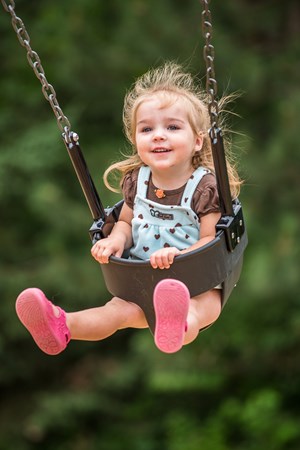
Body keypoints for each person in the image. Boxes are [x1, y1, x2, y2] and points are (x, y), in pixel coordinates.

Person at [15, 62, 241, 355]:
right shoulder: (137, 181)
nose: (158, 135)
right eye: (147, 129)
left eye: (172, 127)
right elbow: (125, 222)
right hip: (142, 280)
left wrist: (178, 255)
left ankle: (176, 324)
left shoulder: (205, 187)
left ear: (198, 141)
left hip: (196, 282)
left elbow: (211, 239)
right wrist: (115, 240)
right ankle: (60, 324)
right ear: (136, 139)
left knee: (201, 308)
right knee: (115, 314)